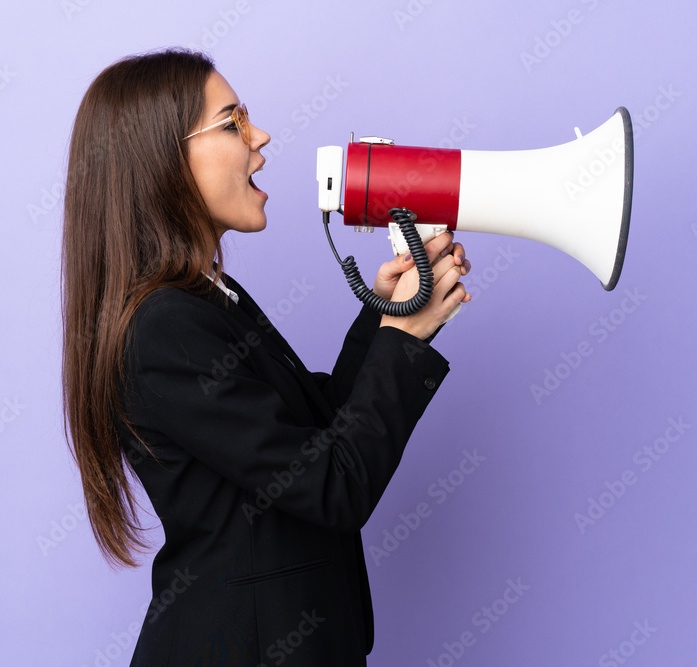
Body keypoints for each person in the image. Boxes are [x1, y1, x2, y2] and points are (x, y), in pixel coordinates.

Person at [61, 48, 471, 666]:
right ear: (163, 161)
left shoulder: (204, 298)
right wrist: (404, 341)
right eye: (232, 123)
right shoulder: (163, 326)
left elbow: (313, 439)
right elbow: (335, 485)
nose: (261, 135)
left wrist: (387, 316)